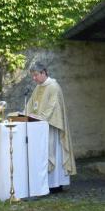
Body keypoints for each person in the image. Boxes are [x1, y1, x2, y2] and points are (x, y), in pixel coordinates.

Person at [25, 62, 76, 192]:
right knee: (43, 154)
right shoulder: (38, 88)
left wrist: (40, 117)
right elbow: (30, 104)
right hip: (40, 127)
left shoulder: (54, 87)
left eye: (36, 75)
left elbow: (53, 107)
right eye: (33, 76)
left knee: (54, 153)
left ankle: (56, 184)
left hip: (52, 126)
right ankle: (45, 183)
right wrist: (24, 114)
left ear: (43, 73)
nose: (34, 78)